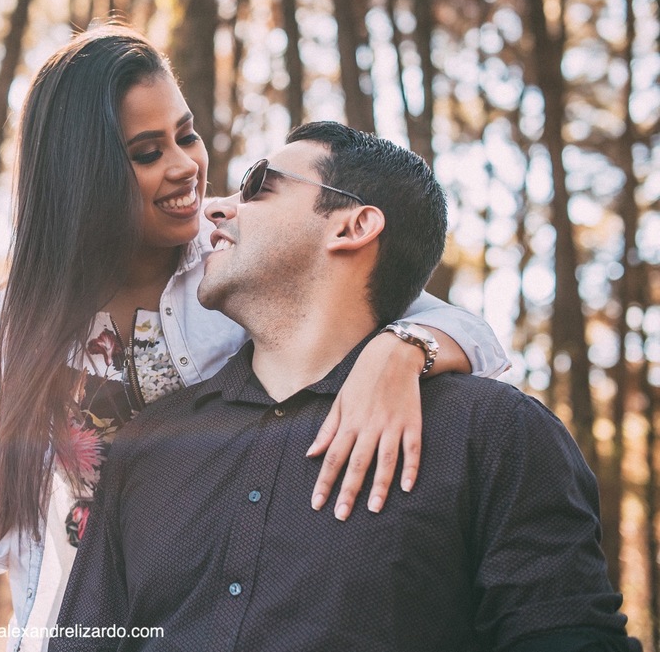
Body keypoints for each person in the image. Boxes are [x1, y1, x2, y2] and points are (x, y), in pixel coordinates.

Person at [0, 26, 509, 647]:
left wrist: (401, 352)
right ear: (84, 177)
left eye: (187, 135)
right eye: (147, 153)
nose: (186, 167)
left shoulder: (231, 268)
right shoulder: (9, 324)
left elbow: (462, 329)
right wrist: (28, 379)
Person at [53, 122, 637, 652]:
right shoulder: (146, 447)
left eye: (258, 186)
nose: (214, 209)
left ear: (353, 225)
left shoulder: (493, 435)